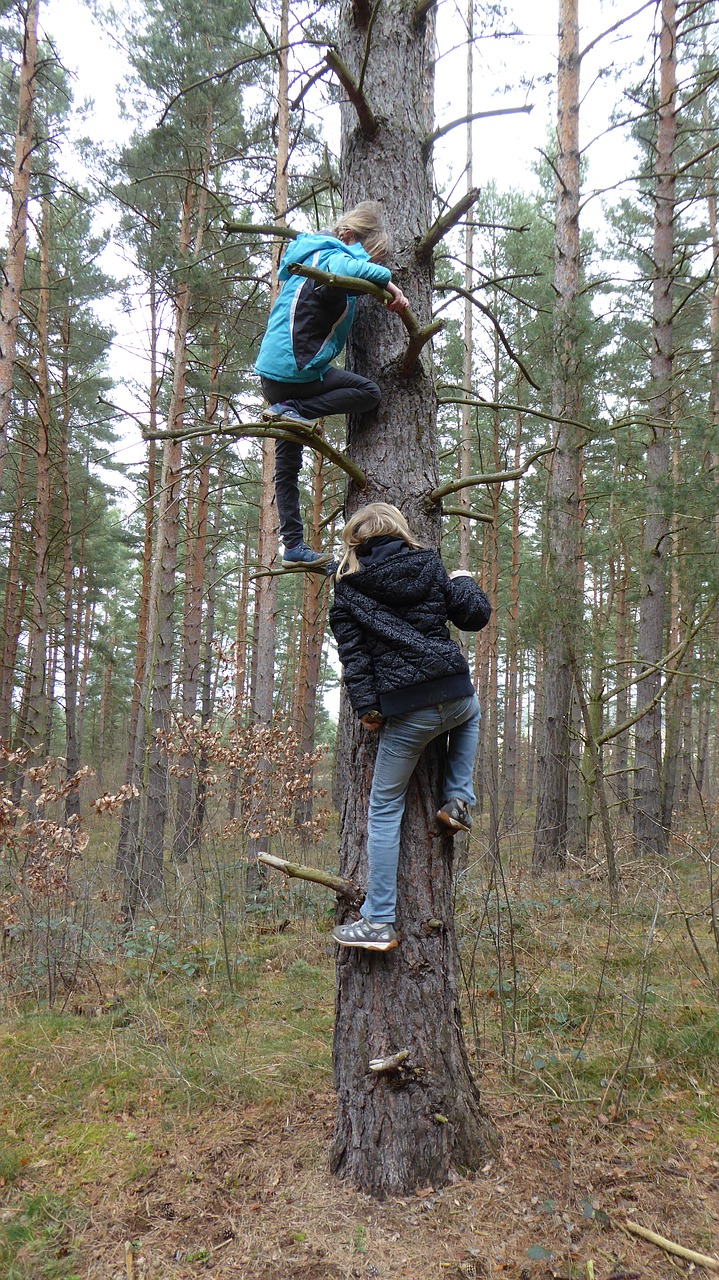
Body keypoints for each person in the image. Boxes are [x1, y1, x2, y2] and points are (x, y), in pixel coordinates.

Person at [328, 503, 491, 952]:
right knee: (472, 712)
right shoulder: (430, 564)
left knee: (383, 809)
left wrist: (368, 709)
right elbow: (473, 617)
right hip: (456, 693)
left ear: (355, 542)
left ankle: (379, 920)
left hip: (409, 710)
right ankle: (458, 799)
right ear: (399, 531)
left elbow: (355, 659)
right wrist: (462, 580)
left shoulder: (347, 588)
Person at [254, 203, 409, 570]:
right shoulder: (329, 254)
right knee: (369, 393)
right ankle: (294, 412)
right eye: (368, 255)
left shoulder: (312, 254)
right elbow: (347, 269)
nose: (367, 266)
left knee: (287, 462)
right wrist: (387, 282)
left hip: (277, 378)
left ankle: (292, 545)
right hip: (296, 370)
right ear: (350, 237)